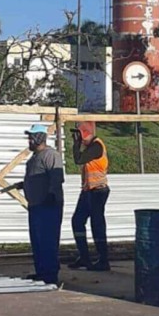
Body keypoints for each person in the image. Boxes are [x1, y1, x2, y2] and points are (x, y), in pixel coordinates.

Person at [20, 123, 65, 285]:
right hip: (35, 205)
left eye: (31, 137)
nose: (29, 141)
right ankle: (41, 271)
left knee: (48, 240)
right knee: (37, 240)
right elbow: (37, 176)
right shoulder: (34, 159)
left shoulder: (50, 155)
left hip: (48, 205)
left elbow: (56, 177)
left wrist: (51, 194)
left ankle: (50, 274)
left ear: (39, 138)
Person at [69, 122, 111, 271]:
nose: (77, 137)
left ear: (85, 133)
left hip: (98, 191)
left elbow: (78, 159)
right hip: (89, 190)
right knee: (77, 221)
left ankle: (103, 259)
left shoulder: (96, 146)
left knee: (97, 224)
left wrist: (76, 144)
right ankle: (84, 257)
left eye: (78, 134)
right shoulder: (91, 147)